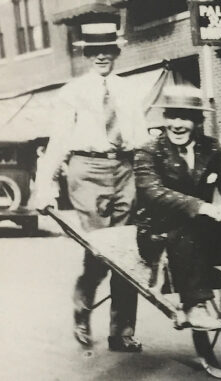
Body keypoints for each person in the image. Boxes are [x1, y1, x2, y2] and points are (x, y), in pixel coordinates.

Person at [34, 21, 146, 351]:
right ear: (86, 54)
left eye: (107, 50)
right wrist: (45, 188)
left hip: (125, 167)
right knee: (100, 248)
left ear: (116, 52)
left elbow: (142, 138)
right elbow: (58, 143)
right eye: (94, 51)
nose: (101, 56)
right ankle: (82, 313)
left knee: (128, 250)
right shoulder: (72, 93)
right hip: (86, 169)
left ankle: (122, 332)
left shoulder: (128, 90)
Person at [134, 84, 221, 330]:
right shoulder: (148, 151)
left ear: (197, 121)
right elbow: (152, 193)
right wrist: (200, 206)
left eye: (185, 118)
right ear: (164, 118)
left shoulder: (211, 147)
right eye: (172, 116)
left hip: (199, 225)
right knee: (187, 227)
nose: (177, 124)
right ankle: (193, 305)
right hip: (159, 230)